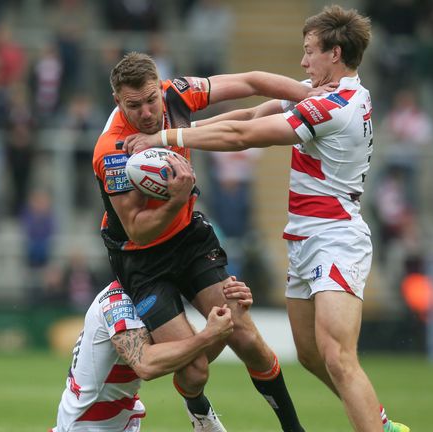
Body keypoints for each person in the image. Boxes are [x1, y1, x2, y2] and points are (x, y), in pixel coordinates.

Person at [125, 5, 409, 432]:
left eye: (309, 51)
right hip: (302, 238)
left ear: (334, 53)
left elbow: (245, 137)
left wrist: (163, 138)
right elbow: (247, 116)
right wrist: (183, 137)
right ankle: (381, 423)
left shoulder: (337, 106)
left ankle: (380, 430)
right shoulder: (317, 94)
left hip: (335, 237)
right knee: (311, 355)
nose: (303, 61)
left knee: (337, 356)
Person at [94, 52, 323, 431]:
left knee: (245, 335)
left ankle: (293, 429)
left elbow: (250, 80)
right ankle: (198, 408)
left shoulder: (177, 94)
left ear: (159, 87)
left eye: (151, 99)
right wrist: (178, 198)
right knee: (195, 370)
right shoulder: (111, 151)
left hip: (188, 238)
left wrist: (309, 93)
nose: (148, 112)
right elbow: (137, 229)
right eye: (134, 106)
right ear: (118, 102)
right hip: (141, 260)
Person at [49, 278, 252, 432]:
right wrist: (208, 335)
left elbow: (195, 360)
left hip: (115, 424)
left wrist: (231, 315)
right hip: (86, 427)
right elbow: (146, 365)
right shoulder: (118, 300)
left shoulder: (152, 298)